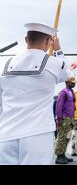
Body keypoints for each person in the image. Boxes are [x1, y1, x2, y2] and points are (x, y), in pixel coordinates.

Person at [0, 23, 69, 165]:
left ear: (26, 39)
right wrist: (58, 50)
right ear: (48, 42)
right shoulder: (53, 64)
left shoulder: (6, 65)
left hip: (6, 134)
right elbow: (68, 74)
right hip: (37, 135)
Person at [54, 77, 76, 164]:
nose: (74, 84)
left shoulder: (71, 91)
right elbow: (59, 106)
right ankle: (59, 156)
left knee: (67, 137)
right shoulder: (64, 92)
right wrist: (59, 118)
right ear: (67, 82)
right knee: (62, 137)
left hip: (70, 118)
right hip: (64, 118)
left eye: (74, 83)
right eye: (72, 82)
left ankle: (63, 154)